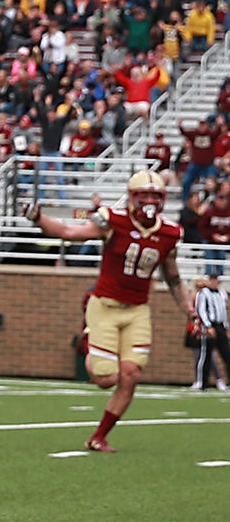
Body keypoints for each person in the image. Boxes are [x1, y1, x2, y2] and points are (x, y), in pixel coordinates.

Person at [25, 171, 190, 452]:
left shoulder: (170, 233)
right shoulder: (113, 220)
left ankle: (99, 436)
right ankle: (87, 339)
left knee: (131, 375)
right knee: (106, 379)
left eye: (155, 196)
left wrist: (189, 310)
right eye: (144, 195)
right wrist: (39, 218)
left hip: (137, 309)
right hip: (105, 305)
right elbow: (69, 233)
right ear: (132, 197)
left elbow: (173, 277)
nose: (149, 201)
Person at [192, 274, 230, 391]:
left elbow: (224, 311)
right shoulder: (203, 293)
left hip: (220, 326)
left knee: (227, 355)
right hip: (210, 326)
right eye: (212, 280)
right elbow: (201, 310)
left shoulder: (222, 293)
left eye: (216, 280)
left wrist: (226, 327)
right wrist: (207, 326)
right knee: (206, 356)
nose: (214, 283)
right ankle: (202, 383)